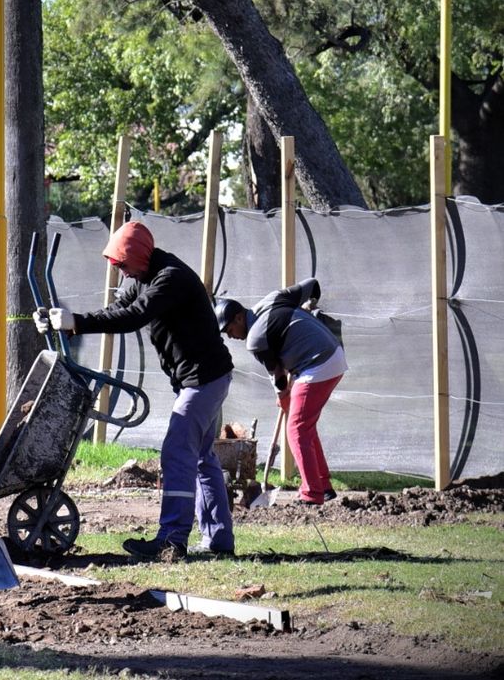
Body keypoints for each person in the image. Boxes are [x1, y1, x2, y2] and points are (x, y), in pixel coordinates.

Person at [35, 221, 236, 561]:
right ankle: (218, 540)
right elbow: (116, 310)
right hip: (203, 378)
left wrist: (79, 323)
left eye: (123, 265)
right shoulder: (142, 276)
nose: (122, 273)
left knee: (177, 453)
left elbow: (134, 317)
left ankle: (172, 540)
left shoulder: (170, 278)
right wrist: (68, 323)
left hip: (203, 380)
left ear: (139, 255)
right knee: (201, 458)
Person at [216, 278, 346, 506]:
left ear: (238, 317)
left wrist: (283, 396)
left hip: (318, 364)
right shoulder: (272, 299)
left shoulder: (255, 338)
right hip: (330, 353)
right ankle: (323, 485)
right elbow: (313, 285)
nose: (230, 336)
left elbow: (277, 375)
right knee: (305, 426)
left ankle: (311, 494)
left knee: (296, 429)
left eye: (229, 329)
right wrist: (312, 303)